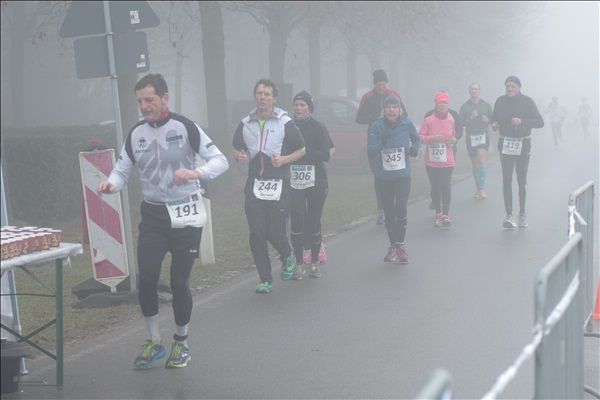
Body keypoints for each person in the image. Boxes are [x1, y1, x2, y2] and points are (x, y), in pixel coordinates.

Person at [97, 73, 229, 369]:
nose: (144, 106)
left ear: (165, 97)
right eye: (140, 101)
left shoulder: (185, 126)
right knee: (147, 279)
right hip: (154, 215)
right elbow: (122, 170)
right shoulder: (136, 133)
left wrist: (196, 173)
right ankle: (154, 341)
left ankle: (181, 341)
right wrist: (111, 184)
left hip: (186, 212)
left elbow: (220, 161)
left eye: (150, 100)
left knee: (179, 282)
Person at [232, 79, 306, 294]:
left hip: (278, 183)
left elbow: (301, 149)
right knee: (256, 233)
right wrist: (239, 156)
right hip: (254, 183)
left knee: (274, 232)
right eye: (259, 93)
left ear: (274, 98)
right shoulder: (245, 123)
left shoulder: (284, 122)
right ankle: (265, 278)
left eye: (266, 94)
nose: (262, 97)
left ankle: (287, 254)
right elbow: (236, 148)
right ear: (254, 97)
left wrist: (284, 160)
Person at [367, 95, 420, 263]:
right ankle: (392, 246)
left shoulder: (407, 124)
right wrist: (382, 141)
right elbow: (370, 151)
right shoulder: (377, 126)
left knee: (401, 208)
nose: (392, 110)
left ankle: (401, 246)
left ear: (399, 110)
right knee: (389, 211)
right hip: (384, 177)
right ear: (384, 110)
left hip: (403, 175)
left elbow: (417, 139)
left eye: (395, 107)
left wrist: (414, 148)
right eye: (389, 107)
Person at [289, 91, 333, 279]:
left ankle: (314, 262)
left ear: (309, 108)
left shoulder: (318, 127)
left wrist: (303, 152)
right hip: (294, 181)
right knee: (297, 221)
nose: (299, 108)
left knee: (314, 220)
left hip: (316, 180)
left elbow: (326, 155)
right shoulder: (288, 126)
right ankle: (299, 263)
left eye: (303, 105)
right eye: (296, 105)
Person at [356, 69, 408, 226]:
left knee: (395, 174)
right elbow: (358, 118)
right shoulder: (367, 97)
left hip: (394, 140)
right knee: (379, 176)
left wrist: (395, 119)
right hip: (376, 139)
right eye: (379, 84)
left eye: (384, 84)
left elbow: (405, 114)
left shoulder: (394, 95)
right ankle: (382, 210)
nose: (382, 87)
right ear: (375, 84)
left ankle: (395, 207)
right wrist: (374, 118)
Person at [491, 75, 544, 229]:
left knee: (522, 180)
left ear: (519, 87)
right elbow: (494, 118)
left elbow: (540, 122)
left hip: (523, 144)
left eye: (512, 86)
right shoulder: (500, 101)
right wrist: (494, 124)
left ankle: (522, 213)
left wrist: (522, 121)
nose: (509, 89)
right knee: (506, 179)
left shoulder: (527, 101)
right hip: (506, 144)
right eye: (507, 86)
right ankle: (509, 214)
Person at [419, 92, 458, 228]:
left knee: (446, 186)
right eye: (440, 103)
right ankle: (438, 213)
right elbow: (420, 137)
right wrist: (433, 138)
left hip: (447, 159)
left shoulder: (451, 119)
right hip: (432, 161)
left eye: (444, 103)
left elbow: (453, 136)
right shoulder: (429, 120)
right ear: (435, 104)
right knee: (435, 187)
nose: (442, 105)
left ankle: (446, 215)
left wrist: (453, 140)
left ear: (448, 105)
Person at [459, 83, 493, 200]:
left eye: (476, 89)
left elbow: (493, 120)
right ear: (469, 91)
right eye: (472, 89)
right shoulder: (465, 107)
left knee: (481, 160)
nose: (474, 91)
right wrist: (470, 118)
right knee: (474, 163)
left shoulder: (486, 105)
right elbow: (461, 123)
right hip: (471, 137)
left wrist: (487, 120)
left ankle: (481, 188)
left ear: (479, 91)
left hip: (483, 135)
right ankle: (478, 187)